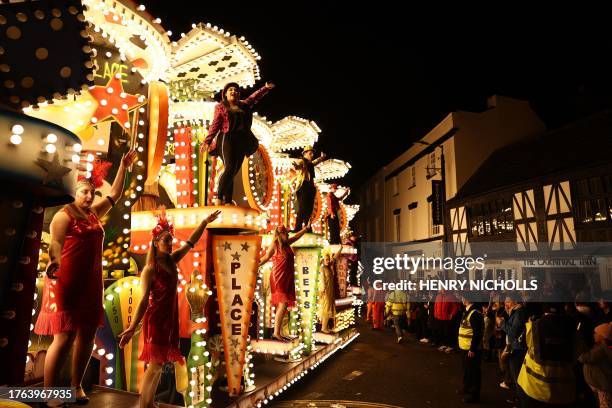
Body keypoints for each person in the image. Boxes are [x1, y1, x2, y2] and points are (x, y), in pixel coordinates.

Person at [34, 150, 136, 406]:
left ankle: (76, 386)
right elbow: (55, 244)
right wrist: (54, 261)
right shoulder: (62, 215)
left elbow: (115, 195)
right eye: (84, 192)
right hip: (65, 280)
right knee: (64, 337)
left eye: (92, 192)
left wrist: (123, 166)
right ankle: (50, 393)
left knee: (87, 335)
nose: (90, 196)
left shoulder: (93, 214)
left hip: (91, 283)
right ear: (74, 193)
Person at [118, 209, 221, 408]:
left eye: (171, 239)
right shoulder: (150, 269)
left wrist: (204, 223)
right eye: (166, 240)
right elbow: (142, 301)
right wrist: (132, 327)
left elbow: (190, 242)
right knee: (155, 363)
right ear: (156, 242)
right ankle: (143, 403)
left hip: (170, 320)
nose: (169, 242)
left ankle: (149, 402)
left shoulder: (172, 261)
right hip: (156, 319)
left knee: (160, 364)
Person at [202, 81, 275, 205]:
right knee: (230, 168)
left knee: (233, 171)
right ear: (225, 94)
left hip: (242, 141)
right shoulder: (221, 107)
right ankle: (219, 197)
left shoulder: (244, 105)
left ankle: (228, 201)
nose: (233, 92)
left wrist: (265, 88)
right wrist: (207, 140)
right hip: (227, 138)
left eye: (236, 90)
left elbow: (254, 97)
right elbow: (215, 124)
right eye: (230, 90)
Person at [517, 303, 577, 407]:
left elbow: (521, 342)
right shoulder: (573, 327)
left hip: (535, 387)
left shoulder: (534, 326)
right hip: (564, 390)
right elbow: (579, 351)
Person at [258, 223, 310, 341]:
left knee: (283, 305)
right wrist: (255, 265)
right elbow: (266, 257)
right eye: (284, 233)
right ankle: (276, 332)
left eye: (287, 232)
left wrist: (306, 229)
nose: (287, 234)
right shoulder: (275, 245)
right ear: (279, 234)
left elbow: (296, 236)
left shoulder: (287, 244)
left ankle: (278, 331)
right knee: (283, 304)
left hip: (287, 277)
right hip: (278, 277)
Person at [497, 294, 528, 405]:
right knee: (515, 375)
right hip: (514, 346)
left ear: (515, 302)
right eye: (505, 302)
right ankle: (517, 398)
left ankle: (521, 402)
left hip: (517, 348)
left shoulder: (519, 313)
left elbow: (514, 331)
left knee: (518, 377)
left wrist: (501, 323)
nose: (506, 304)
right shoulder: (514, 312)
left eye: (508, 302)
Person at [291, 147, 327, 232]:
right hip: (303, 186)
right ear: (304, 154)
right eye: (310, 153)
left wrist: (321, 158)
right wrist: (296, 166)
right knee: (303, 208)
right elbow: (298, 165)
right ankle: (298, 228)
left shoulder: (310, 163)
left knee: (309, 209)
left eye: (312, 154)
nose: (312, 155)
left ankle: (308, 228)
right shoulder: (302, 161)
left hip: (310, 187)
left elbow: (315, 162)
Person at [458, 293, 484, 404]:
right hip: (465, 347)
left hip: (471, 349)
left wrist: (472, 349)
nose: (461, 299)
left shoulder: (474, 313)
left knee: (473, 373)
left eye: (463, 297)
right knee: (467, 371)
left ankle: (473, 395)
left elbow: (477, 333)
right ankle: (466, 388)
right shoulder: (467, 311)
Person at [578, 322, 612, 408]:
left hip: (603, 386)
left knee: (605, 404)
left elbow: (583, 358)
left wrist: (579, 342)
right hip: (599, 384)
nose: (593, 334)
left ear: (602, 336)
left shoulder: (601, 350)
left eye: (596, 333)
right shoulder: (599, 348)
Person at [319, 246, 342, 333]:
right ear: (323, 260)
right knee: (326, 308)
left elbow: (335, 257)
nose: (328, 261)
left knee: (329, 308)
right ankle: (323, 328)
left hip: (330, 290)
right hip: (325, 291)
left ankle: (325, 327)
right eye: (326, 260)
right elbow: (322, 280)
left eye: (328, 259)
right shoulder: (322, 268)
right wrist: (323, 290)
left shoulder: (329, 266)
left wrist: (340, 249)